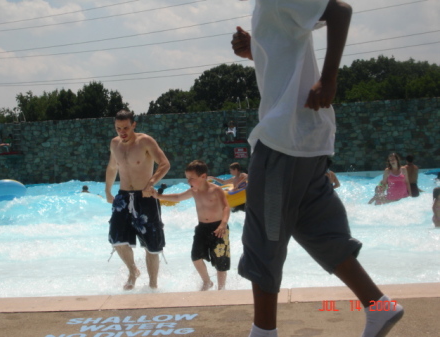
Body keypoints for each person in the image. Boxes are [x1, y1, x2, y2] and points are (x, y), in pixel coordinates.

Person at [231, 1, 403, 336]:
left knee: (263, 238)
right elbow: (289, 50)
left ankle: (263, 332)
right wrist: (256, 50)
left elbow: (339, 10)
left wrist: (329, 78)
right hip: (307, 139)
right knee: (318, 231)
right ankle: (378, 306)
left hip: (284, 139)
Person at [105, 109, 170, 291]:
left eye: (126, 127)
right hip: (123, 196)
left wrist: (151, 182)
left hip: (146, 197)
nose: (122, 132)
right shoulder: (114, 144)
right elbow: (112, 168)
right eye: (118, 128)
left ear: (134, 125)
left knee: (152, 245)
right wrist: (108, 191)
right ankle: (133, 271)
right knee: (116, 239)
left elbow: (164, 163)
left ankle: (153, 285)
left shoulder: (145, 141)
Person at [153, 160, 230, 291]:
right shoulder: (194, 191)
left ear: (203, 176)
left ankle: (221, 289)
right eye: (187, 178)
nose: (188, 181)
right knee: (196, 257)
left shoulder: (215, 190)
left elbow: (226, 207)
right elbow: (178, 197)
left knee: (220, 261)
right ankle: (207, 282)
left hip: (219, 228)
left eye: (191, 178)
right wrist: (158, 196)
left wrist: (223, 224)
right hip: (202, 228)